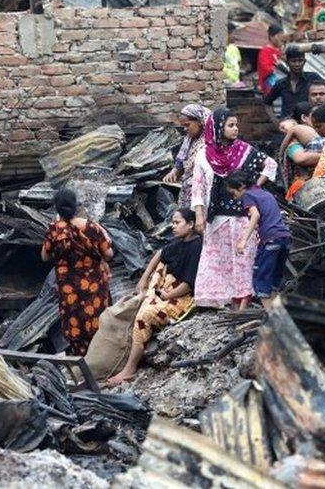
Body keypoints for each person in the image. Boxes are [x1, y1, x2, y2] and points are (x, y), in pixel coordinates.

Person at [191, 108, 278, 309]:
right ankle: (229, 302)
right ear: (217, 128)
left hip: (242, 218)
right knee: (218, 261)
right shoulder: (203, 156)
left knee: (243, 260)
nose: (236, 129)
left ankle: (244, 303)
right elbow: (198, 187)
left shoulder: (244, 151)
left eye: (236, 125)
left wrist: (253, 188)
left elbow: (270, 165)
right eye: (231, 125)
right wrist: (198, 215)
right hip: (217, 219)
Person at [106, 208, 202, 385]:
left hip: (182, 297)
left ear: (190, 224)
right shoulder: (179, 242)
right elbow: (160, 253)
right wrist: (143, 279)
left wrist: (168, 295)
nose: (172, 226)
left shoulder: (197, 247)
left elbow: (188, 283)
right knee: (140, 300)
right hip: (166, 290)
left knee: (145, 316)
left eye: (177, 223)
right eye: (172, 222)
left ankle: (130, 369)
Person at [41, 189, 114, 356]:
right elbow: (109, 254)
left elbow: (45, 257)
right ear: (76, 205)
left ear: (56, 208)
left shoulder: (54, 230)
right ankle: (100, 357)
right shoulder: (90, 227)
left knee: (75, 320)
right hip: (94, 283)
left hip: (68, 286)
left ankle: (81, 358)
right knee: (97, 317)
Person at [226, 173, 291, 300]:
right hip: (284, 238)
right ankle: (279, 316)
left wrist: (243, 240)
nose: (234, 198)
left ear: (241, 186)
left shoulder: (247, 195)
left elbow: (255, 215)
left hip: (270, 240)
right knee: (273, 283)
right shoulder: (265, 194)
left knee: (261, 281)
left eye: (233, 193)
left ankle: (273, 317)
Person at [164, 104, 210, 208]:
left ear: (199, 122)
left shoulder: (210, 142)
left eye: (187, 125)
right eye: (183, 126)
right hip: (188, 192)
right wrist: (174, 172)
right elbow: (181, 163)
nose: (185, 129)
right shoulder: (189, 140)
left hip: (203, 194)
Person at [279, 103, 323, 200]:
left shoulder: (319, 136)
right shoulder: (293, 142)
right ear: (304, 118)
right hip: (305, 190)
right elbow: (300, 158)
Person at [264, 47, 324, 118]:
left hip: (307, 125)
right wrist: (275, 121)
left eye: (300, 60)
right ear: (287, 63)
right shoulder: (281, 83)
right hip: (287, 126)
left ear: (304, 62)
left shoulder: (313, 78)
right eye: (293, 61)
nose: (297, 64)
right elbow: (267, 103)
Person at [257, 24, 285, 95]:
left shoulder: (280, 51)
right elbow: (265, 68)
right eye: (279, 36)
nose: (281, 39)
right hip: (270, 84)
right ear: (271, 37)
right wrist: (277, 67)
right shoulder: (265, 51)